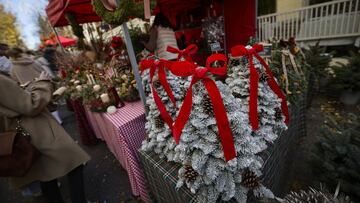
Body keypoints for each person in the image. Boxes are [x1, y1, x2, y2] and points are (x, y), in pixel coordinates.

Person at [0, 70, 90, 203]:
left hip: (23, 132)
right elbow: (31, 105)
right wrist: (42, 82)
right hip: (34, 131)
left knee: (45, 174)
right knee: (73, 162)